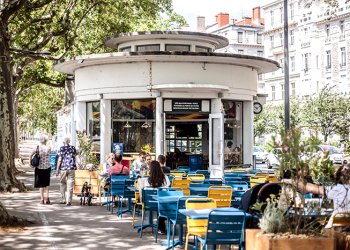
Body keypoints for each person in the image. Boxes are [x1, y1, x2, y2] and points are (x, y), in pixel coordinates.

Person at [283, 166, 350, 229]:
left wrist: (292, 181)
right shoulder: (338, 188)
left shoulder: (338, 189)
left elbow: (310, 188)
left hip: (335, 225)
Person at [144, 161, 171, 234]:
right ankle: (163, 227)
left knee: (159, 204)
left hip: (151, 203)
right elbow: (168, 189)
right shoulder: (165, 178)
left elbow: (146, 191)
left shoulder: (147, 180)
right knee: (162, 204)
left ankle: (161, 228)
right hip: (163, 203)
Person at [29, 134, 52, 204]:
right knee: (46, 182)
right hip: (47, 166)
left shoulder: (37, 147)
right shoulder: (49, 148)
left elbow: (31, 155)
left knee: (41, 184)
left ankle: (42, 199)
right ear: (46, 140)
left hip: (39, 167)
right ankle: (47, 197)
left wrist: (30, 163)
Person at [56, 137, 77, 206]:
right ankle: (69, 201)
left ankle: (63, 199)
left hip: (63, 168)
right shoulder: (73, 148)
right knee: (70, 184)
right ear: (69, 141)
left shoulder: (61, 148)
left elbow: (59, 159)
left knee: (62, 183)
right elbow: (75, 158)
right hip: (71, 167)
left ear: (63, 142)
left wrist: (57, 170)